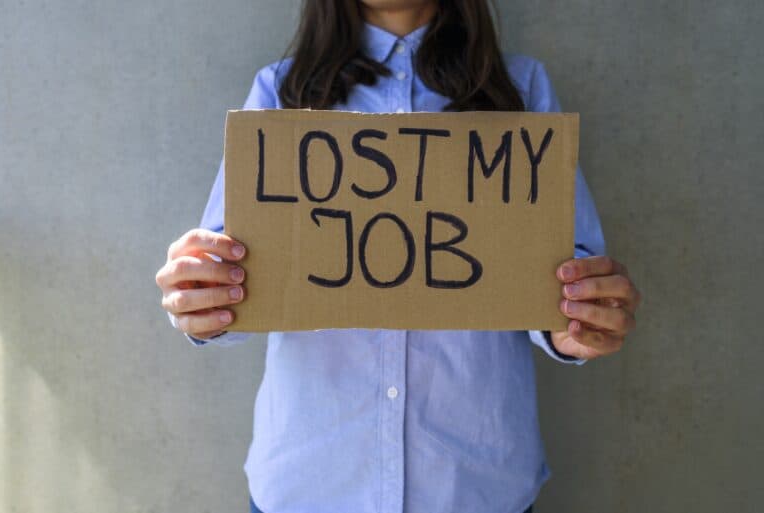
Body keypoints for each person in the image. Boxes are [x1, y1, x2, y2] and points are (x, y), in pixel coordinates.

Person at [155, 1, 641, 512]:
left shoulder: (520, 87)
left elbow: (564, 270)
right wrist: (203, 295)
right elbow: (230, 278)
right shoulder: (281, 91)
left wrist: (576, 318)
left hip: (476, 487)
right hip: (312, 484)